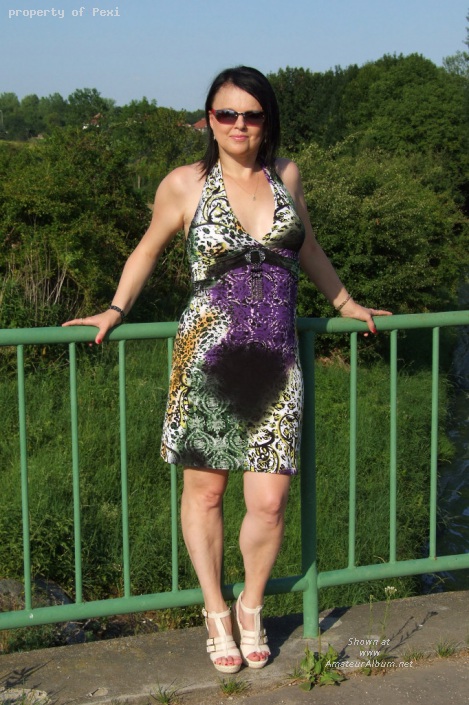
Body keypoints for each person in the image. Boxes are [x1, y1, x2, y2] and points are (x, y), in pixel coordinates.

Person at [63, 66, 391, 673]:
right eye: (227, 114)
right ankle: (215, 609)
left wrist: (346, 303)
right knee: (206, 491)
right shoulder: (184, 184)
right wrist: (114, 309)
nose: (240, 125)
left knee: (269, 501)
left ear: (268, 121)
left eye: (252, 114)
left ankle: (251, 605)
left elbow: (308, 247)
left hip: (275, 362)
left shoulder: (286, 175)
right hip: (207, 360)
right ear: (209, 120)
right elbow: (147, 248)